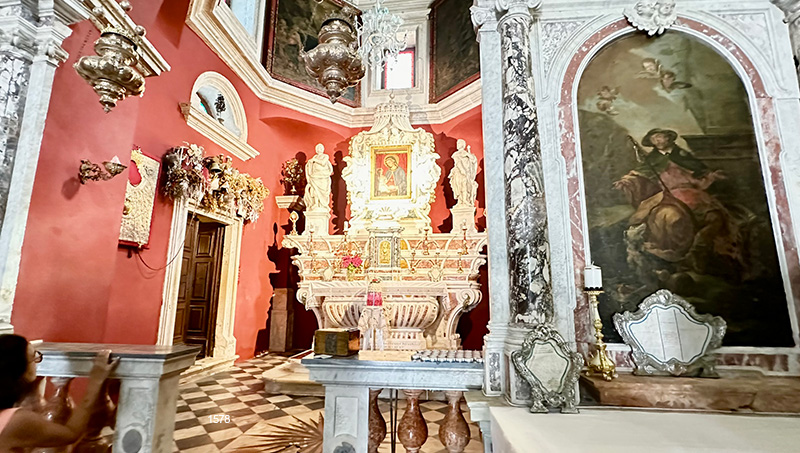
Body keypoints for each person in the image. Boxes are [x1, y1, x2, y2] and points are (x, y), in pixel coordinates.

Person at [0, 334, 118, 450]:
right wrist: (95, 381)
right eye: (33, 357)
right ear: (19, 370)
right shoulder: (17, 421)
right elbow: (71, 433)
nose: (37, 362)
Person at [304, 143, 333, 211]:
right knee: (315, 190)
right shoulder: (314, 157)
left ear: (323, 149)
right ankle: (316, 204)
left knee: (322, 191)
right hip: (315, 177)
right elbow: (309, 167)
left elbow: (323, 163)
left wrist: (313, 160)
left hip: (323, 177)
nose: (319, 149)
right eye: (318, 148)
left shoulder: (325, 156)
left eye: (321, 148)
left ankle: (323, 205)